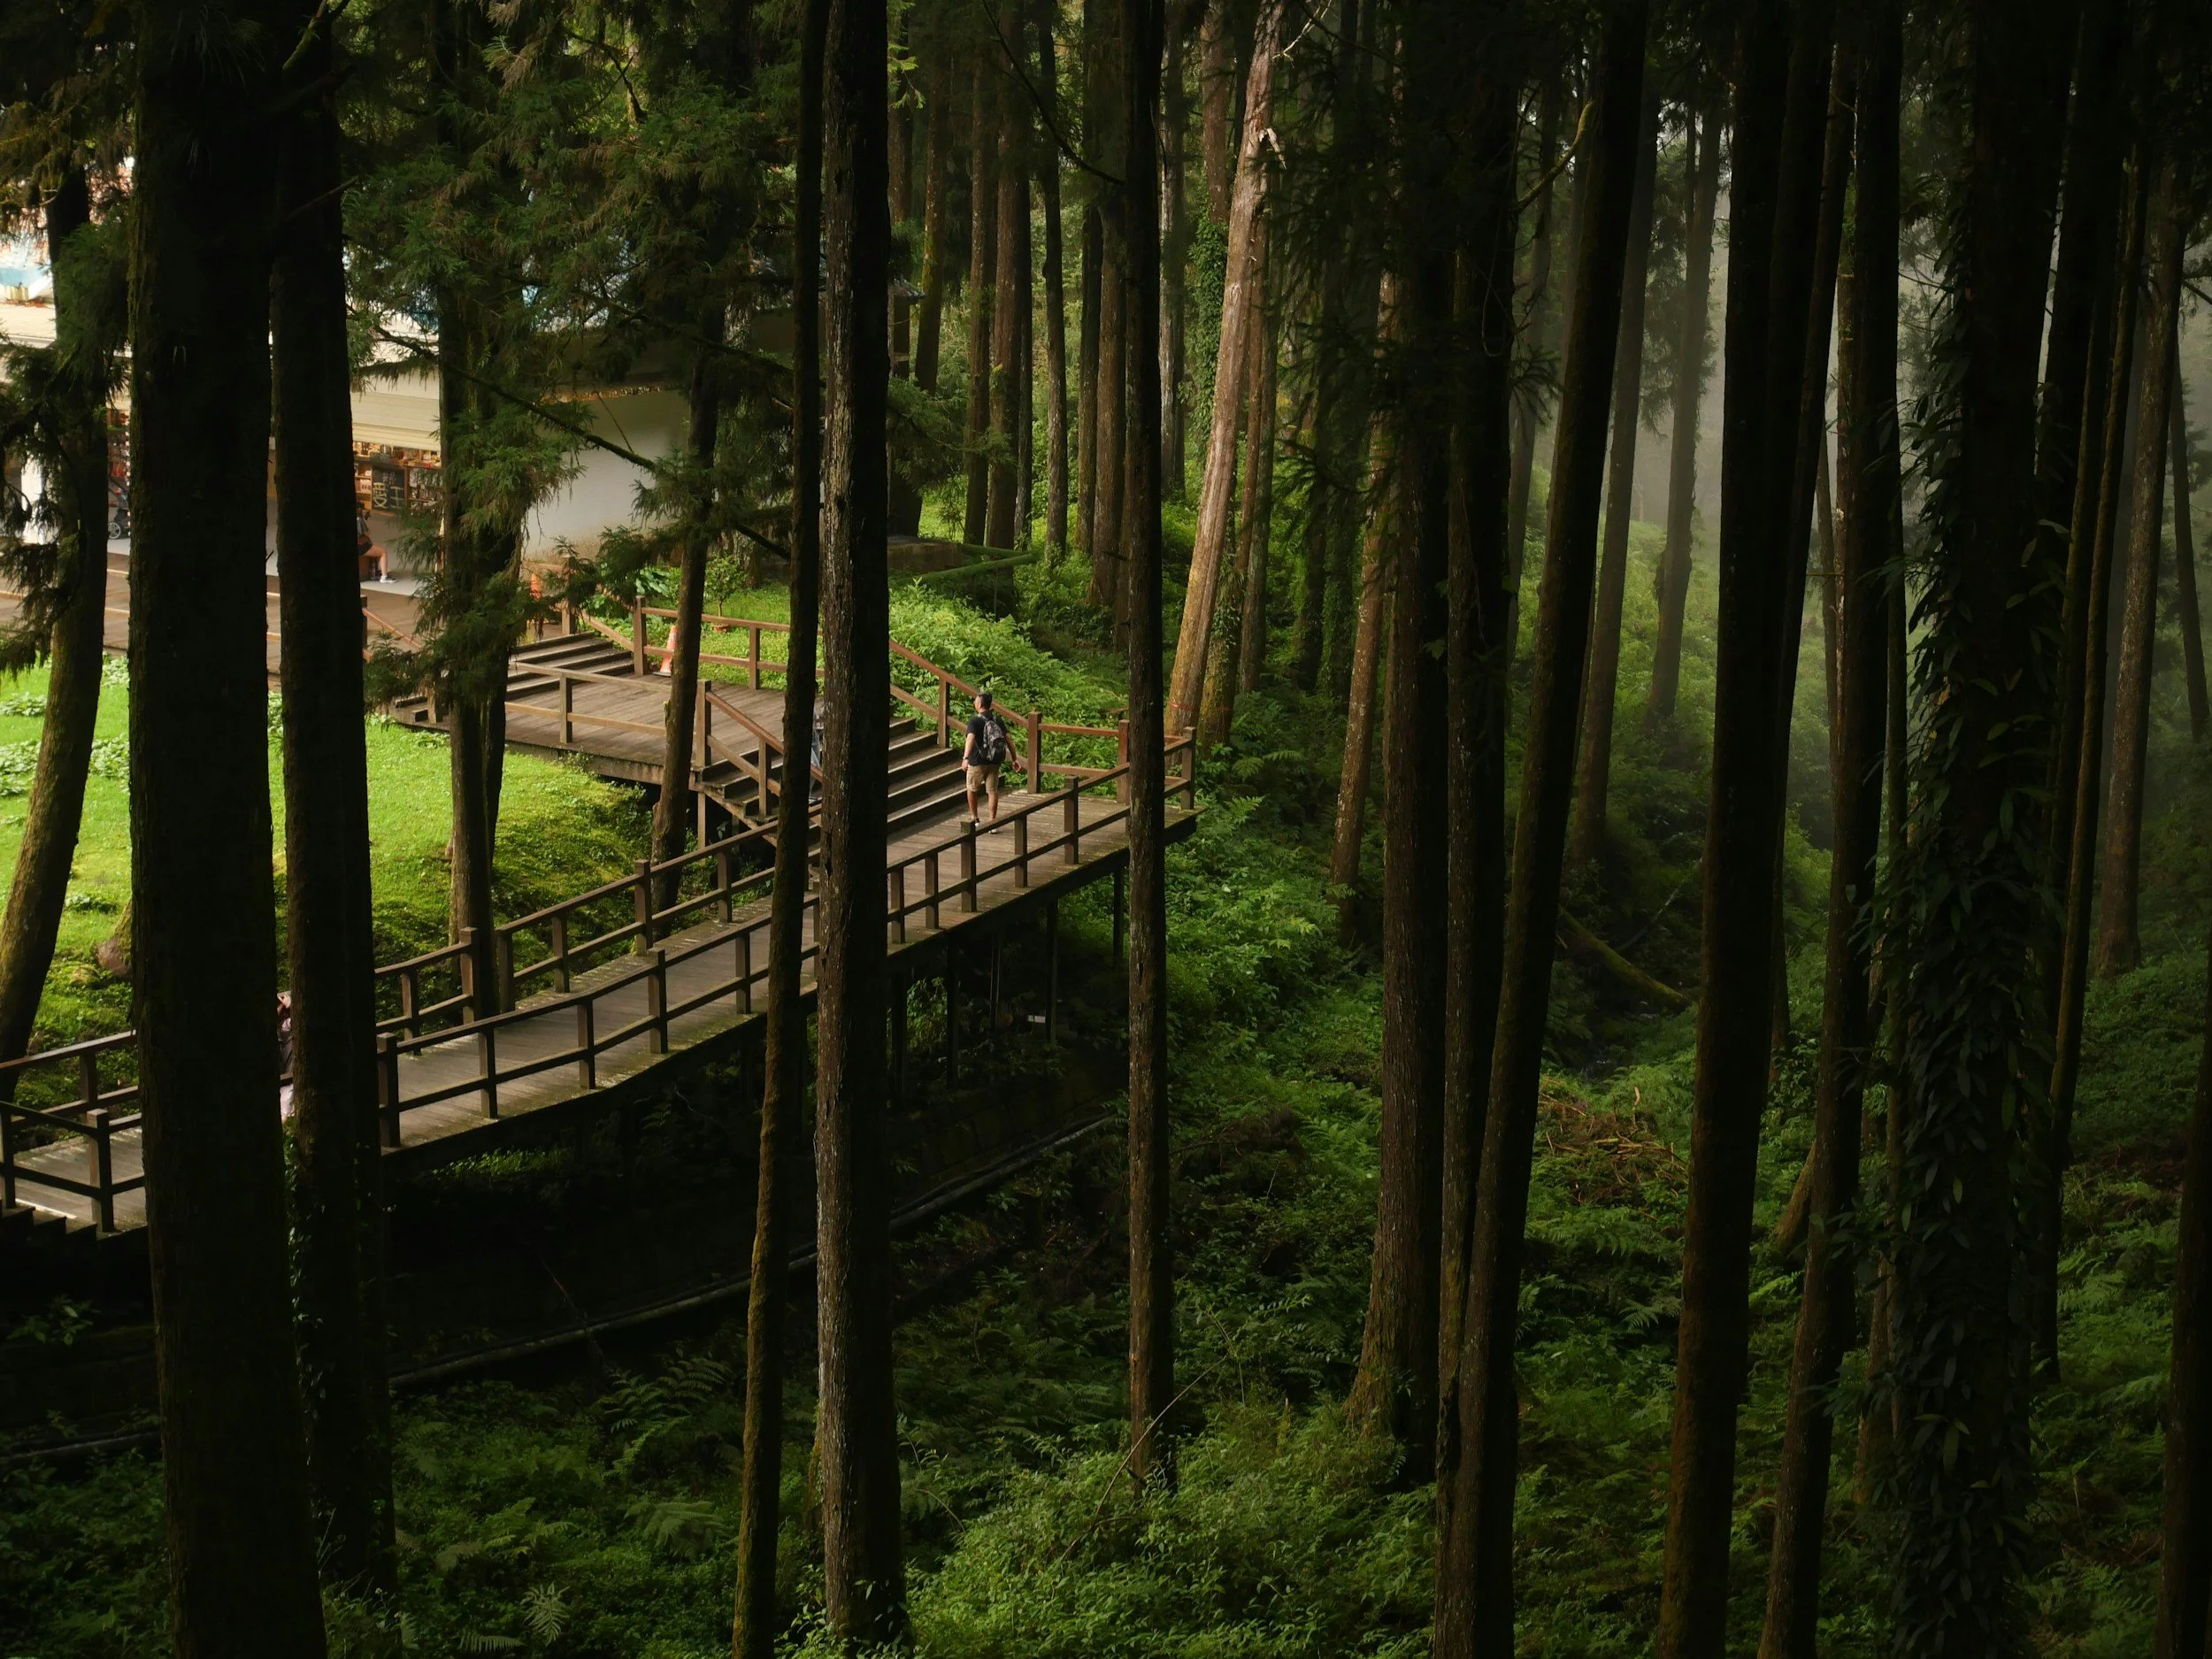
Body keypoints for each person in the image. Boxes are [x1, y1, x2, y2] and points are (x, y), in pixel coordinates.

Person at [963, 688, 1009, 828]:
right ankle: (992, 822)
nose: (974, 702)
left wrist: (965, 757)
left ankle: (975, 818)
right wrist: (1014, 758)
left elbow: (970, 738)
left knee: (972, 789)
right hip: (994, 760)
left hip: (978, 760)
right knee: (992, 790)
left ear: (980, 704)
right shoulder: (997, 719)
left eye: (976, 700)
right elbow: (1008, 738)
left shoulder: (975, 720)